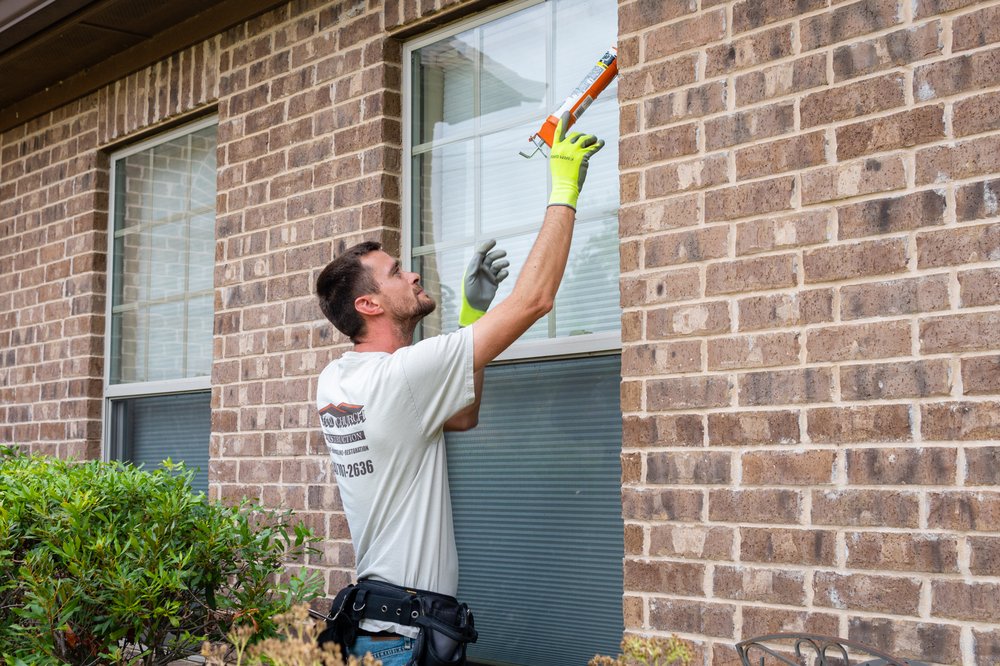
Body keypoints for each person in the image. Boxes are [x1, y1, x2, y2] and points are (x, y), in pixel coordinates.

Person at [313, 112, 604, 666]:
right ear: (369, 305)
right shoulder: (401, 376)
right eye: (397, 272)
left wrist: (472, 314)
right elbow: (535, 300)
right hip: (403, 637)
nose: (414, 274)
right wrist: (563, 189)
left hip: (383, 625)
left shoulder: (339, 379)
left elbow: (461, 418)